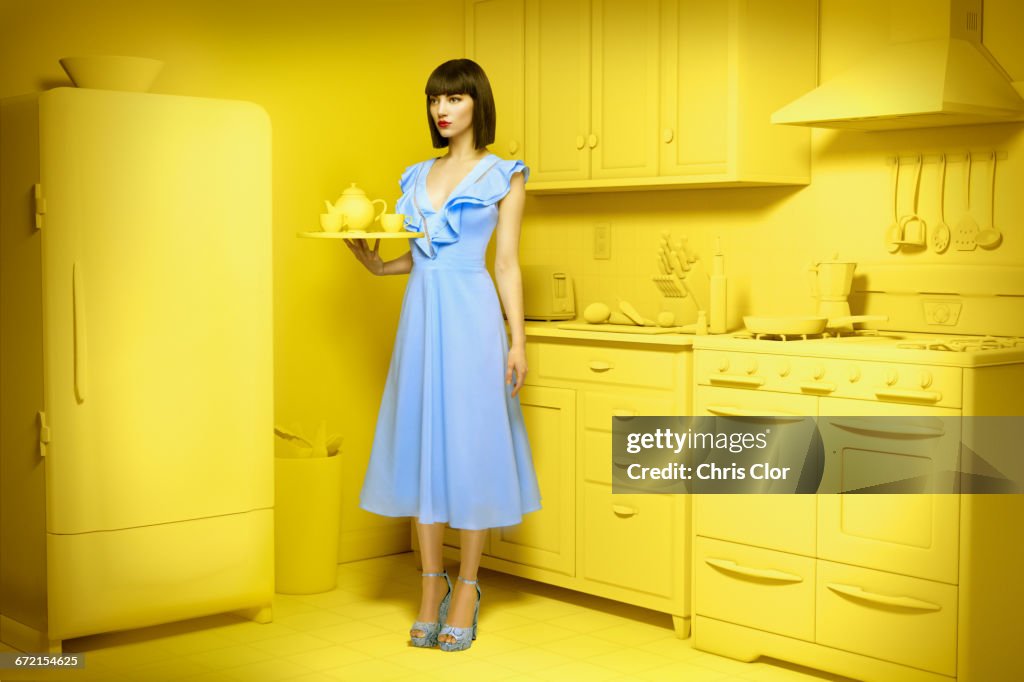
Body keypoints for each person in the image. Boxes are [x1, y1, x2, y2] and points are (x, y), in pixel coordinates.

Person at [345, 58, 541, 653]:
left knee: (472, 445)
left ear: (477, 102)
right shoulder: (414, 175)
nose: (442, 108)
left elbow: (503, 262)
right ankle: (431, 586)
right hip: (421, 317)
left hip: (472, 317)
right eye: (435, 98)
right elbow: (420, 256)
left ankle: (467, 588)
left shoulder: (504, 175)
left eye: (454, 97)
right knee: (425, 443)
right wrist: (380, 265)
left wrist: (518, 338)